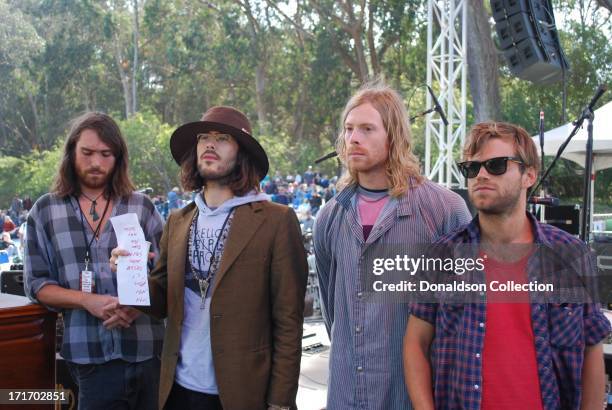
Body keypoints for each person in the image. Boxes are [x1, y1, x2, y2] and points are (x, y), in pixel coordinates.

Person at [111, 105, 308, 410]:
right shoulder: (178, 220)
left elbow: (288, 322)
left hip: (243, 394)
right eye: (204, 137)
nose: (210, 144)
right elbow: (162, 301)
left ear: (243, 153)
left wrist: (281, 403)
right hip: (178, 390)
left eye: (223, 139)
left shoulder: (275, 221)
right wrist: (129, 273)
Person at [404, 121, 612, 409]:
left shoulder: (570, 255)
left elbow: (592, 348)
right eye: (472, 168)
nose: (481, 175)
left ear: (529, 175)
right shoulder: (443, 255)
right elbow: (415, 344)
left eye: (497, 165)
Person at [313, 81, 471, 410]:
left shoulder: (444, 209)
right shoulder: (330, 216)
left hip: (413, 397)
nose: (353, 138)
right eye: (348, 129)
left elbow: (465, 311)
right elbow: (332, 308)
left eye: (367, 129)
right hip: (347, 395)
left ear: (394, 135)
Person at [23, 112, 165, 410]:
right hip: (88, 356)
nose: (96, 163)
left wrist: (137, 305)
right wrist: (88, 301)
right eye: (87, 153)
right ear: (71, 152)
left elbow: (168, 273)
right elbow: (37, 284)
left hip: (148, 351)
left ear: (118, 158)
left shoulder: (142, 207)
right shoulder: (45, 211)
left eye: (106, 154)